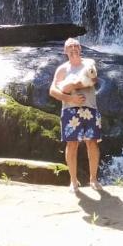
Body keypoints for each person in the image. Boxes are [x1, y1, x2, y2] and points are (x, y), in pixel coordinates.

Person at [49, 37, 102, 192]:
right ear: (65, 51)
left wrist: (77, 84)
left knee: (92, 143)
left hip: (90, 108)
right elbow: (52, 90)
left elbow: (94, 79)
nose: (73, 48)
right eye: (69, 47)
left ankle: (93, 179)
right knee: (71, 144)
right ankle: (73, 181)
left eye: (76, 46)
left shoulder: (89, 63)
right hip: (70, 111)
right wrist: (70, 98)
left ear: (80, 49)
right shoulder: (62, 69)